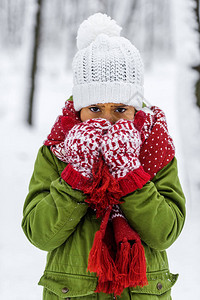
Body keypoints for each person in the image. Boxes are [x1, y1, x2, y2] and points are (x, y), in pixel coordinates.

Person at [22, 13, 186, 300]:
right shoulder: (58, 151)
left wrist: (130, 174)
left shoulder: (154, 149)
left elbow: (165, 233)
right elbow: (41, 234)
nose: (107, 120)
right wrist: (77, 174)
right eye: (95, 109)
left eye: (120, 109)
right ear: (79, 109)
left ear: (136, 109)